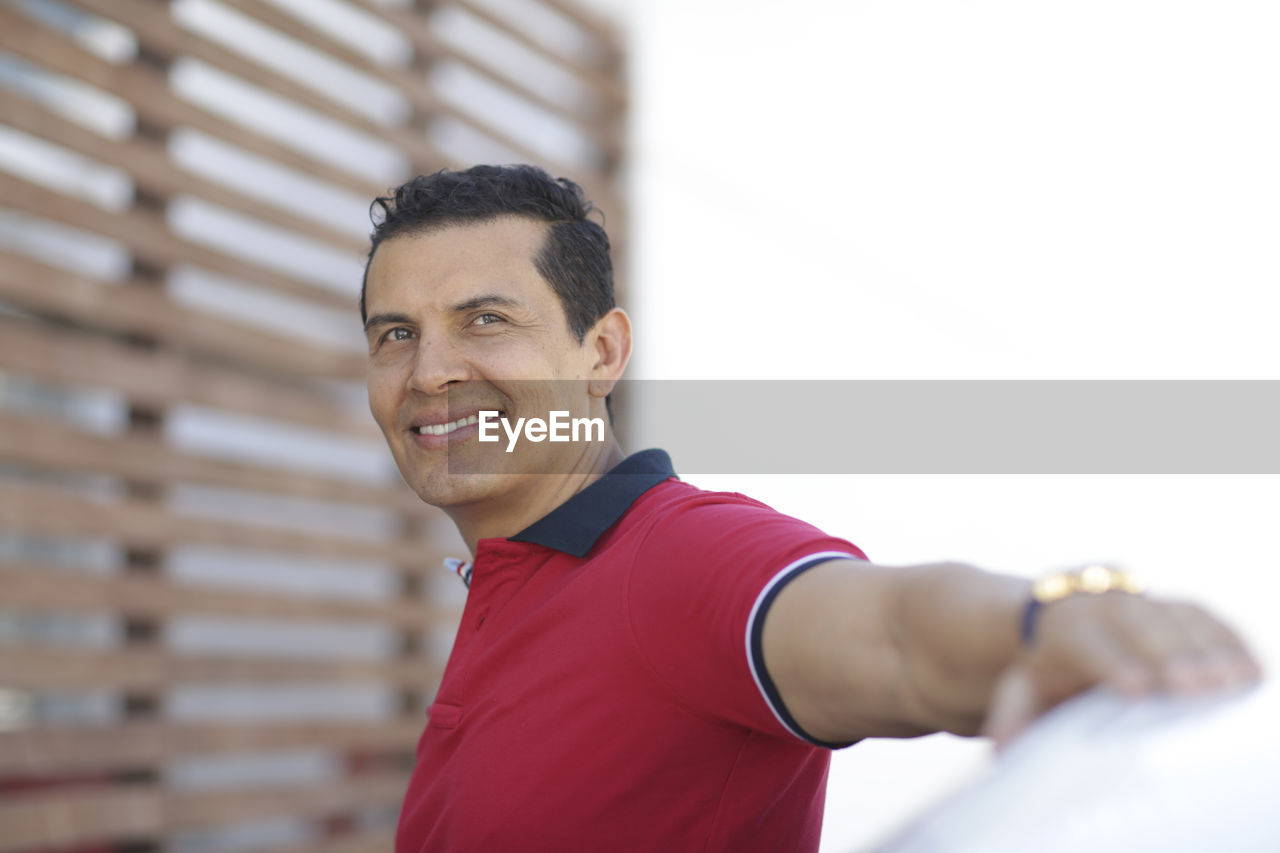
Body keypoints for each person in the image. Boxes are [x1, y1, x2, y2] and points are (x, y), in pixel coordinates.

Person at [360, 165, 1262, 852]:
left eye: (485, 321)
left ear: (602, 352)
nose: (430, 371)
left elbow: (891, 630)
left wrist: (1035, 624)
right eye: (396, 332)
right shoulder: (514, 579)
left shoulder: (677, 558)